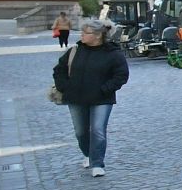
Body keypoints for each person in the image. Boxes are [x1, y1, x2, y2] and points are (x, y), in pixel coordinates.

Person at [53, 19, 129, 177]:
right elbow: (59, 70)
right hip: (76, 97)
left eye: (85, 33)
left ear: (97, 36)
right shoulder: (75, 51)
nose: (81, 35)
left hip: (102, 98)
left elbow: (121, 75)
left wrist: (105, 89)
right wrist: (64, 87)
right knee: (81, 132)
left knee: (98, 130)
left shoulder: (113, 53)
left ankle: (97, 163)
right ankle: (88, 153)